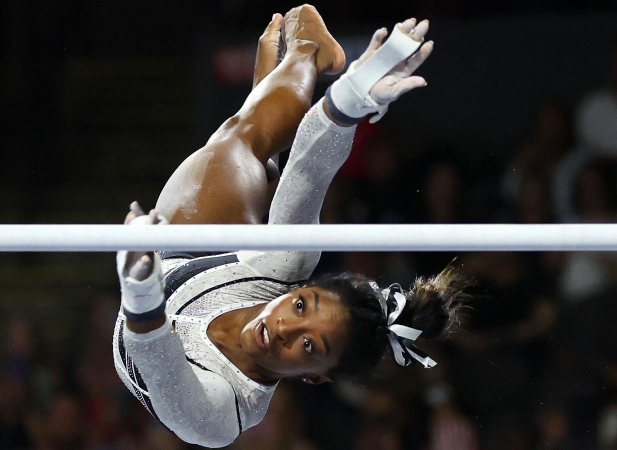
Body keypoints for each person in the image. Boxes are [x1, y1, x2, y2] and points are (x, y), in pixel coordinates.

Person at [113, 5, 470, 448]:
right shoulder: (287, 266)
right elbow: (310, 171)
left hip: (159, 283)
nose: (285, 328)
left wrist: (140, 287)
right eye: (301, 306)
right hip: (202, 255)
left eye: (309, 347)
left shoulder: (223, 414)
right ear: (297, 290)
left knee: (254, 163)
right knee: (238, 141)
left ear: (316, 376)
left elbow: (155, 356)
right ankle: (307, 50)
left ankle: (266, 100)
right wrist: (351, 98)